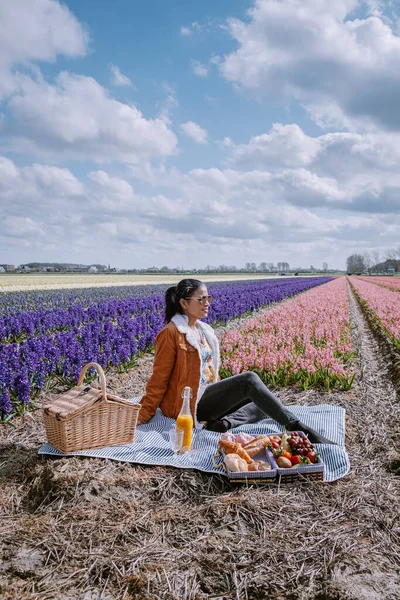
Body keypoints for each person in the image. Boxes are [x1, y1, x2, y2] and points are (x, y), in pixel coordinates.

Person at [138, 279, 335, 444]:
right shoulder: (170, 334)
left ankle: (224, 424)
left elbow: (207, 371)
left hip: (206, 394)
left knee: (264, 402)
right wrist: (143, 415)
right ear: (184, 303)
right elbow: (159, 378)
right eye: (201, 299)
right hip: (187, 402)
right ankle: (298, 428)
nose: (207, 303)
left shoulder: (202, 330)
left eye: (208, 298)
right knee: (249, 381)